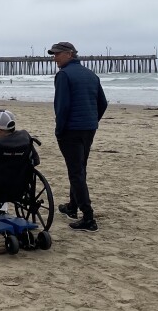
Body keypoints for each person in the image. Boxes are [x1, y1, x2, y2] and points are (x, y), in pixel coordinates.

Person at [48, 41, 108, 232]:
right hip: (89, 128)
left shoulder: (64, 75)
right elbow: (103, 103)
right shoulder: (91, 74)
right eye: (53, 54)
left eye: (57, 54)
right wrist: (92, 120)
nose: (54, 58)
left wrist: (59, 129)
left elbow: (62, 106)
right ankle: (72, 207)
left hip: (71, 130)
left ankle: (88, 217)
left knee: (76, 172)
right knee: (80, 169)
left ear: (69, 54)